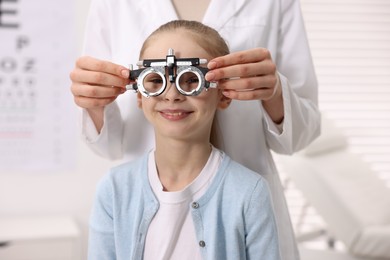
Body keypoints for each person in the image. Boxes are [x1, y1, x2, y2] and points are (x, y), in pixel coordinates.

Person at [71, 0, 321, 259]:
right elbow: (106, 142)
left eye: (191, 79)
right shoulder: (114, 190)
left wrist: (276, 92)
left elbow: (302, 132)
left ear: (223, 93)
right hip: (139, 190)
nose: (172, 94)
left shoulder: (250, 192)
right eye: (155, 80)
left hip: (244, 193)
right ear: (139, 92)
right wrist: (94, 102)